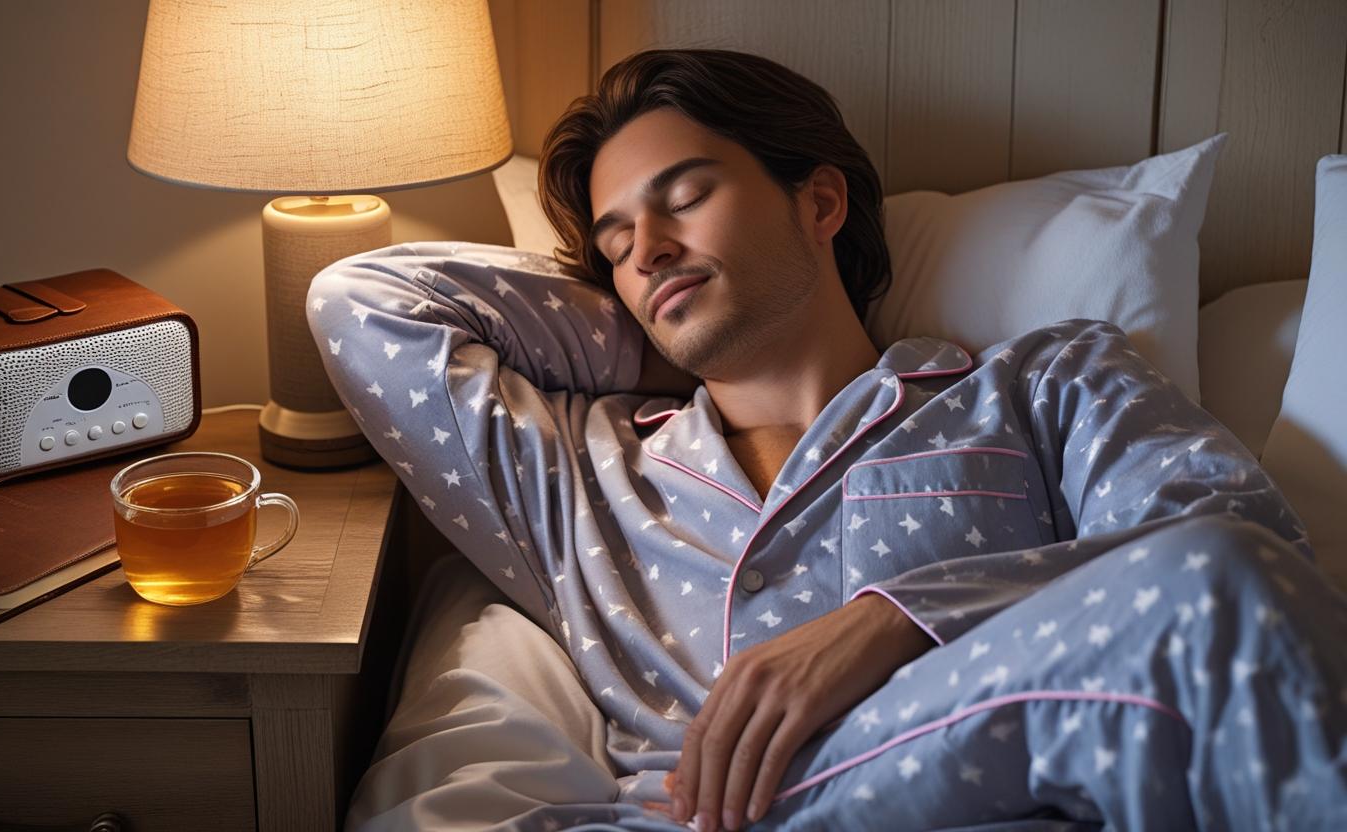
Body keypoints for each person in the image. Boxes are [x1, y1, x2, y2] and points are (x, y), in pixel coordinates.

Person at [307, 48, 1346, 831]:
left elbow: (1235, 545)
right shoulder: (584, 468)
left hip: (992, 779)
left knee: (1213, 578)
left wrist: (894, 621)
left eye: (685, 199)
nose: (651, 248)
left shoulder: (1041, 382)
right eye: (617, 244)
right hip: (719, 807)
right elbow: (365, 301)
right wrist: (652, 327)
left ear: (819, 199)